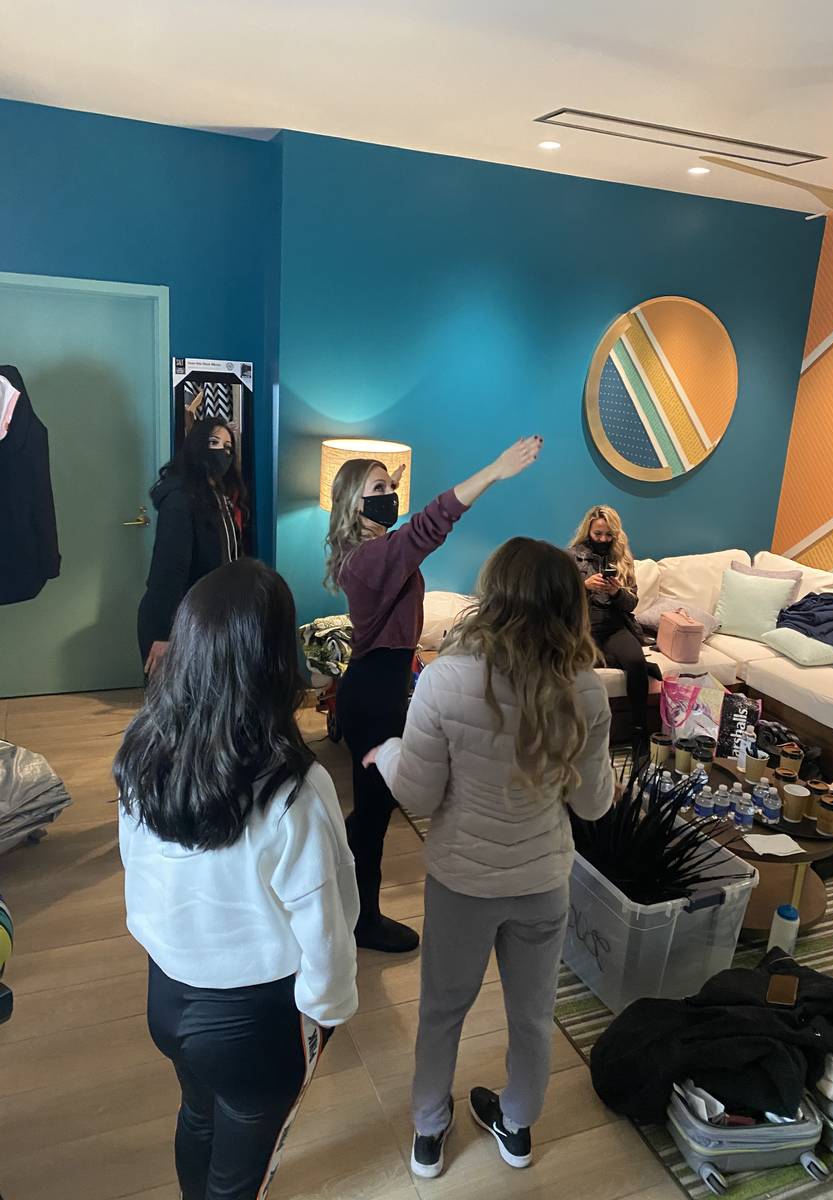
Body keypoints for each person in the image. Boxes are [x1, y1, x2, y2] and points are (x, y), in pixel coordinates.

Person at [363, 538, 615, 1177]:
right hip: (541, 882)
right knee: (533, 1016)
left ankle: (428, 1132)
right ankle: (518, 1125)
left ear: (494, 596)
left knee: (442, 1010)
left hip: (462, 883)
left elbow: (419, 793)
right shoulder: (586, 690)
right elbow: (593, 807)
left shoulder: (445, 678)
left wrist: (389, 751)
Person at [116, 559, 359, 1200]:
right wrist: (329, 1011)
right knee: (243, 1168)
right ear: (278, 663)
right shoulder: (297, 790)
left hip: (165, 996)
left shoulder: (140, 752)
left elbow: (135, 870)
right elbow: (329, 920)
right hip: (254, 1020)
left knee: (197, 1113)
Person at [324, 436, 543, 954]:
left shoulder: (372, 551)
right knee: (377, 814)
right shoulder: (367, 560)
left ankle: (337, 886)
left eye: (389, 486)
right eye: (376, 489)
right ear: (353, 503)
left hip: (384, 682)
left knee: (374, 808)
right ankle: (362, 921)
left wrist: (384, 489)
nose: (389, 494)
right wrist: (491, 470)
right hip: (373, 692)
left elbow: (403, 542)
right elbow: (428, 525)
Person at [137, 418, 247, 676]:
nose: (222, 452)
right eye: (213, 442)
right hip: (179, 619)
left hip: (210, 613)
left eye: (228, 447)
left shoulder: (218, 496)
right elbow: (168, 571)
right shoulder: (180, 499)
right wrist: (164, 635)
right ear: (197, 446)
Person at [569, 504, 653, 748]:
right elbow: (562, 600)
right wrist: (585, 587)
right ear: (588, 531)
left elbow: (631, 604)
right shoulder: (571, 556)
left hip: (615, 625)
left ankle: (639, 731)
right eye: (598, 534)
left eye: (608, 535)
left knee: (636, 663)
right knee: (574, 662)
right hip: (583, 626)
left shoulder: (623, 558)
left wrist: (617, 592)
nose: (603, 539)